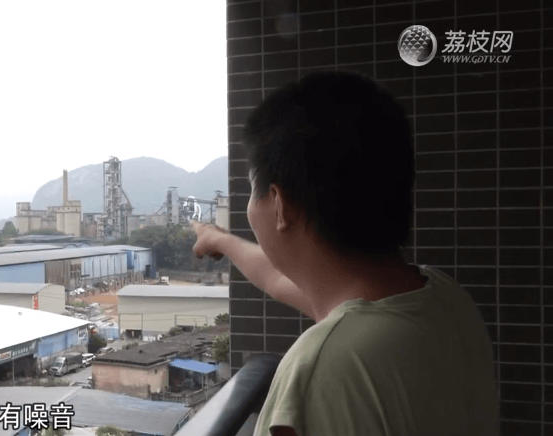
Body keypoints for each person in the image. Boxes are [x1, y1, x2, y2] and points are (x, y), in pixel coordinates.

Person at [192, 71, 497, 436]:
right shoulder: (443, 297)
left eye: (252, 190)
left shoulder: (321, 367)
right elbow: (276, 277)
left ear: (279, 203)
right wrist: (221, 240)